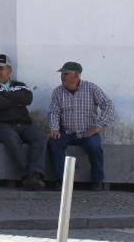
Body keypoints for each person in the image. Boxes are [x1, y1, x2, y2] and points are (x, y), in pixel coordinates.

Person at [0, 53, 47, 190]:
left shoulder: (20, 85)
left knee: (39, 137)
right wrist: (16, 100)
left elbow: (27, 98)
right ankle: (27, 176)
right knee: (11, 138)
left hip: (24, 125)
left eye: (1, 68)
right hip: (2, 126)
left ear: (9, 71)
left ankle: (35, 173)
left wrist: (4, 96)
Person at [48, 61, 115, 191]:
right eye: (62, 74)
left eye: (66, 74)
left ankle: (97, 180)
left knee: (95, 146)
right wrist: (54, 128)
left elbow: (108, 105)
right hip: (66, 132)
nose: (62, 77)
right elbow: (53, 112)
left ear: (77, 76)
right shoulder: (58, 91)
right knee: (54, 142)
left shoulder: (92, 88)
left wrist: (97, 127)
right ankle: (61, 180)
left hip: (87, 132)